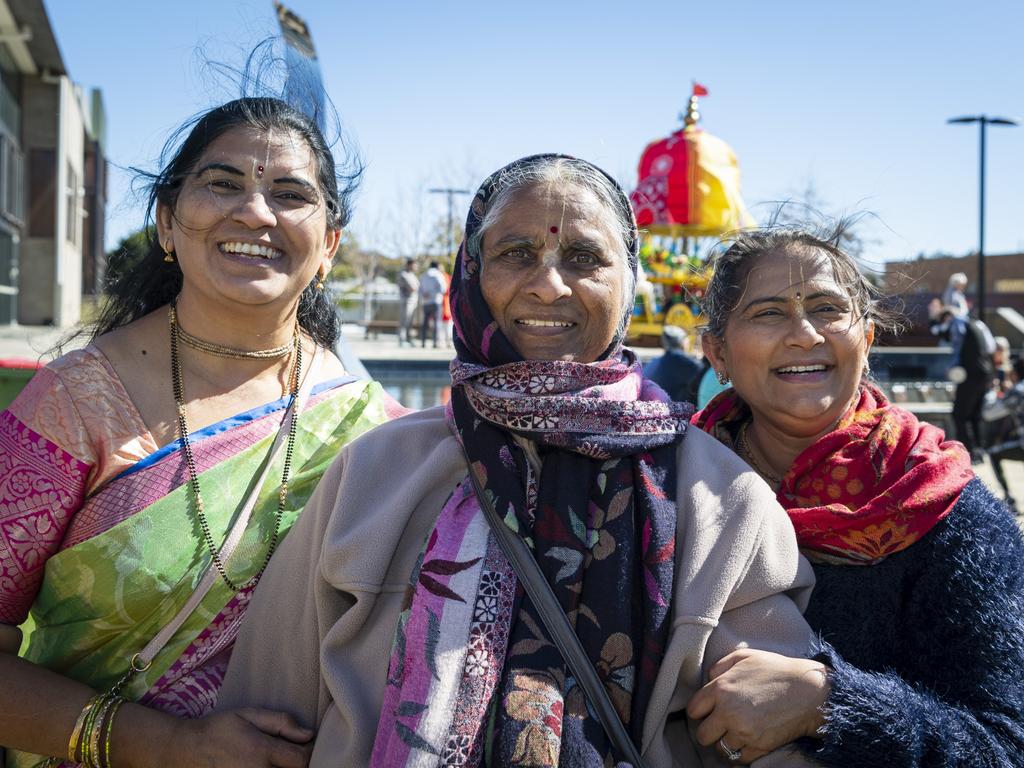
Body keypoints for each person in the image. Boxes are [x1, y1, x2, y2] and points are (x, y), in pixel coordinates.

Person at [218, 154, 818, 767]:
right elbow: (266, 722)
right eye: (516, 254)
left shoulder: (719, 501)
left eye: (584, 259)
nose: (548, 285)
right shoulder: (376, 473)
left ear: (628, 280)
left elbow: (771, 739)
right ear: (472, 273)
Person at [0, 97, 399, 768]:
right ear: (166, 221)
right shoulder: (76, 406)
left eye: (290, 194)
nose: (255, 211)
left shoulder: (374, 427)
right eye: (222, 183)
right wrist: (167, 744)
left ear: (329, 245)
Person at [689, 224, 1024, 766]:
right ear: (716, 352)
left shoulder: (941, 507)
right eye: (769, 312)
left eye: (826, 308)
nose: (804, 334)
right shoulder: (665, 489)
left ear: (866, 340)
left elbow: (1006, 744)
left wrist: (829, 703)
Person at [931, 306, 994, 462]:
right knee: (975, 415)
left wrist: (953, 369)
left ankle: (966, 453)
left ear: (947, 318)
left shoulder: (957, 322)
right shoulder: (976, 324)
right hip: (984, 373)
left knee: (959, 414)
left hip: (969, 374)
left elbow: (955, 345)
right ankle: (980, 451)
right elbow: (990, 347)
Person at [982, 355, 1024, 511]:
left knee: (993, 453)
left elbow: (989, 413)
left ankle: (1010, 499)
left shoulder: (1019, 390)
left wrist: (992, 390)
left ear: (1015, 373)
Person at [644, 324, 703, 402]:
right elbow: (703, 371)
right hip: (673, 408)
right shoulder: (681, 360)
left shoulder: (655, 362)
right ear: (682, 342)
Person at [419, 260, 446, 347]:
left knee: (425, 322)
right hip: (436, 301)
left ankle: (423, 342)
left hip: (426, 301)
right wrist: (433, 294)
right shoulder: (438, 275)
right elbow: (443, 289)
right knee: (436, 322)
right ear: (437, 266)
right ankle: (435, 342)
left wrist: (425, 294)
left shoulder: (423, 275)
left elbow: (420, 289)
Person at [396, 258, 419, 346]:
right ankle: (402, 340)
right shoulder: (403, 274)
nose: (416, 267)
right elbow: (412, 288)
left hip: (413, 301)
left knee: (411, 322)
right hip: (406, 301)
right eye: (414, 265)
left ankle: (409, 339)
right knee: (404, 321)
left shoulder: (412, 275)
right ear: (409, 265)